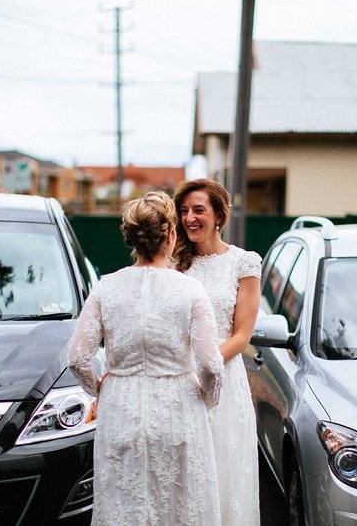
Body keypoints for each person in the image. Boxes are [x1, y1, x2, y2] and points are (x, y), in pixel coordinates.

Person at [67, 191, 224, 526]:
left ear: (133, 239)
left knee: (125, 502)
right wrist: (207, 398)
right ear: (170, 235)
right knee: (178, 504)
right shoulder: (191, 290)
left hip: (122, 407)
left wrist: (100, 387)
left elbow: (78, 357)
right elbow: (210, 364)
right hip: (179, 408)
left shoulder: (106, 288)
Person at [173, 179, 261, 526]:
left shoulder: (244, 263)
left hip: (224, 383)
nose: (189, 219)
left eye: (198, 210)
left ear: (219, 216)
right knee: (185, 472)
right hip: (178, 381)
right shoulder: (174, 264)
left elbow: (242, 335)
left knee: (225, 469)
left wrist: (203, 365)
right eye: (183, 212)